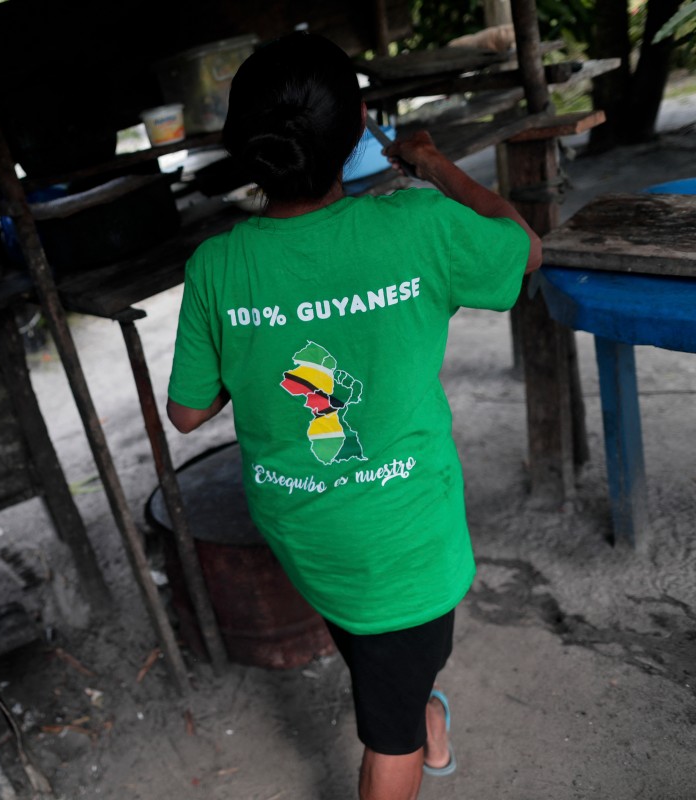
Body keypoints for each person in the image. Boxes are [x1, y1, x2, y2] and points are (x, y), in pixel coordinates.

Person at [165, 31, 541, 800]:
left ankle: (425, 723)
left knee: (383, 658)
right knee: (388, 730)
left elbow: (188, 410)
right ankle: (413, 735)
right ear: (359, 129)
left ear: (245, 143)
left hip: (302, 526)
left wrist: (263, 346)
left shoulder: (217, 266)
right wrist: (432, 164)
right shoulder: (416, 226)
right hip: (401, 534)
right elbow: (523, 248)